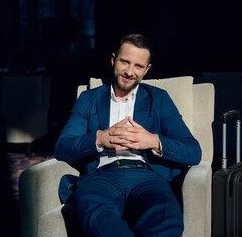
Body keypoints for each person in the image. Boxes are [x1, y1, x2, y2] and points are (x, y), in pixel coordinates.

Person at [54, 33, 201, 237]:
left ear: (147, 69)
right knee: (97, 219)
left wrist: (152, 141)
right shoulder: (88, 99)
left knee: (165, 219)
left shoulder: (158, 99)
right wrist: (100, 139)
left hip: (147, 177)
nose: (130, 72)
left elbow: (193, 151)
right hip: (101, 177)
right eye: (125, 62)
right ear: (113, 60)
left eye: (138, 66)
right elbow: (62, 147)